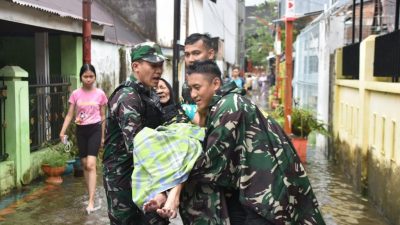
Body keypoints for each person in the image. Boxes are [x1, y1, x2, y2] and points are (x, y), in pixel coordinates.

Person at [180, 60, 325, 225]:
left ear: (216, 83)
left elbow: (212, 165)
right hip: (264, 189)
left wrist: (173, 176)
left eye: (197, 88)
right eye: (190, 88)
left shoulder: (229, 106)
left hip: (266, 196)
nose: (192, 95)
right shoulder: (231, 101)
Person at [103, 42, 169, 225]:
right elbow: (138, 146)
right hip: (123, 179)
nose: (158, 71)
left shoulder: (149, 94)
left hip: (147, 175)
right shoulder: (127, 97)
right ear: (136, 66)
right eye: (153, 65)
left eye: (160, 65)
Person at [131, 78, 203, 220]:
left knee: (184, 146)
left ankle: (172, 197)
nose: (159, 90)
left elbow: (199, 122)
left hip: (182, 136)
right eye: (156, 88)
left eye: (163, 87)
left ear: (170, 89)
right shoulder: (151, 112)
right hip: (164, 142)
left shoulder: (182, 106)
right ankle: (160, 196)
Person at [59, 64, 107, 214]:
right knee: (85, 164)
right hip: (81, 130)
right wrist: (62, 132)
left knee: (91, 164)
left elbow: (103, 116)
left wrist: (103, 136)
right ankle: (90, 193)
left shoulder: (100, 94)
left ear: (95, 77)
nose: (88, 79)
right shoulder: (75, 94)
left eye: (91, 76)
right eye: (85, 76)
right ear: (81, 77)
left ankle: (91, 201)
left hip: (95, 129)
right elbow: (69, 114)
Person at [181, 33, 215, 125]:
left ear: (210, 54)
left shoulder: (218, 87)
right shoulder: (186, 86)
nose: (191, 59)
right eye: (187, 55)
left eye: (196, 53)